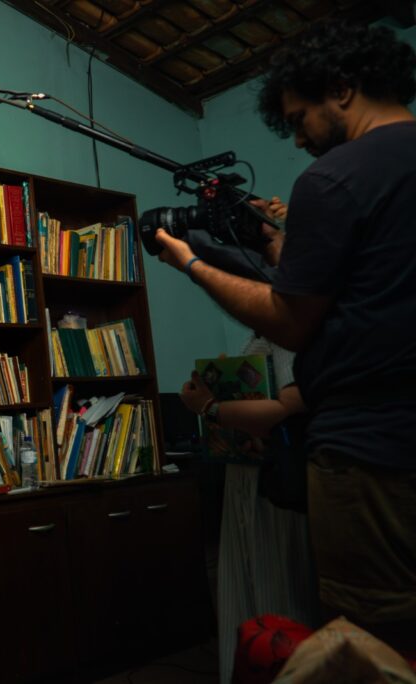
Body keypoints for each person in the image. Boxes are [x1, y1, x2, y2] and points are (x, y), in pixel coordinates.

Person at [155, 20, 416, 654]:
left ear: (343, 88)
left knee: (376, 644)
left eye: (300, 120)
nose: (299, 141)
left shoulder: (335, 178)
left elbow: (289, 319)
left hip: (369, 453)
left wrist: (190, 263)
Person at [180, 333, 318, 684]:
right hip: (245, 474)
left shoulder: (285, 334)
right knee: (246, 583)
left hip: (271, 480)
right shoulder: (260, 334)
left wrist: (210, 407)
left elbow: (289, 409)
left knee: (275, 587)